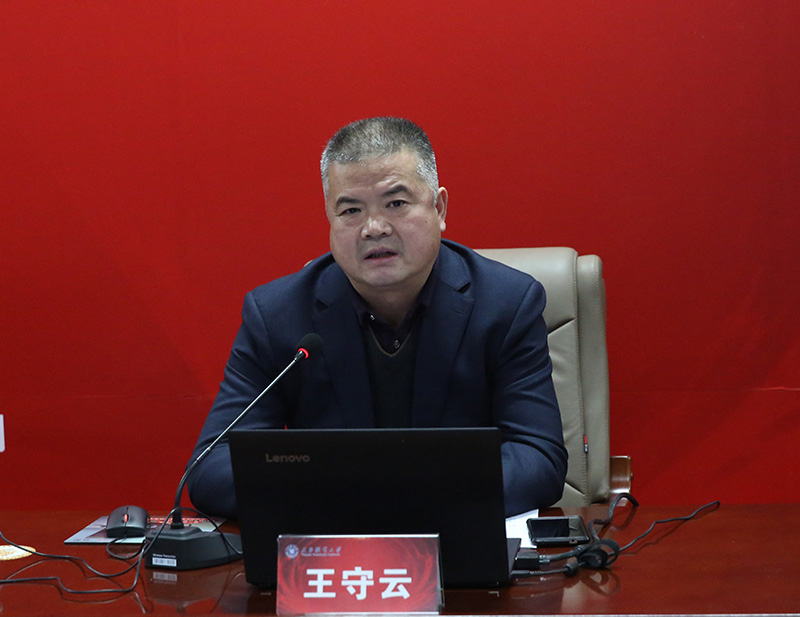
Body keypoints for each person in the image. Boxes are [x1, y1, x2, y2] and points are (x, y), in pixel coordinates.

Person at [186, 117, 567, 518]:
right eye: (351, 210)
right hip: (334, 548)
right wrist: (356, 497)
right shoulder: (278, 315)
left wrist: (393, 494)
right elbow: (212, 468)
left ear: (439, 208)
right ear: (330, 220)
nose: (374, 228)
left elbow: (539, 459)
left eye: (396, 204)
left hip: (459, 544)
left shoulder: (506, 305)